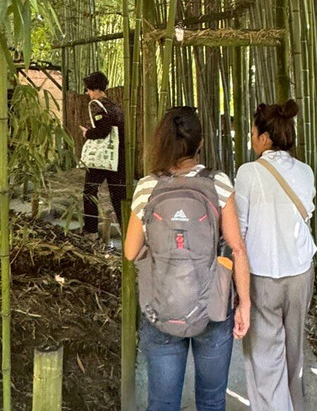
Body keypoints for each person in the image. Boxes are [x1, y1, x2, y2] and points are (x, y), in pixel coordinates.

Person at [124, 106, 251, 411]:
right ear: (200, 143)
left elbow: (130, 252)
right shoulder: (219, 182)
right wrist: (244, 303)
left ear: (162, 141)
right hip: (213, 307)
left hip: (162, 307)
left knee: (163, 403)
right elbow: (237, 248)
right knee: (210, 401)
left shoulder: (147, 186)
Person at [234, 99, 317, 411]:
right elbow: (305, 213)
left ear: (264, 138)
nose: (251, 139)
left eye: (253, 133)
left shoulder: (248, 173)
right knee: (294, 354)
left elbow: (238, 232)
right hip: (300, 273)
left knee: (265, 358)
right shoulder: (306, 172)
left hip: (262, 275)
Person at [79, 71, 126, 237]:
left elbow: (103, 130)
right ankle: (127, 231)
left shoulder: (97, 105)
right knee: (119, 195)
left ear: (95, 89)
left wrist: (88, 134)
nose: (87, 93)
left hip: (102, 158)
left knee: (90, 192)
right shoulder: (115, 105)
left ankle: (91, 230)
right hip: (118, 156)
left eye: (88, 89)